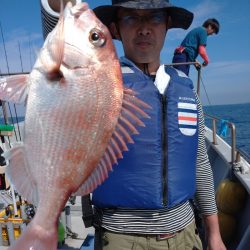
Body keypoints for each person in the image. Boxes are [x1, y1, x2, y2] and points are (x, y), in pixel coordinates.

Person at [42, 1, 226, 249]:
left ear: (167, 25)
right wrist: (56, 9)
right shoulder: (99, 84)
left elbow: (200, 164)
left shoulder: (185, 89)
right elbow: (61, 58)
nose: (144, 29)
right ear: (116, 30)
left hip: (186, 233)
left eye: (155, 18)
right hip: (121, 237)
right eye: (131, 18)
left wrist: (214, 234)